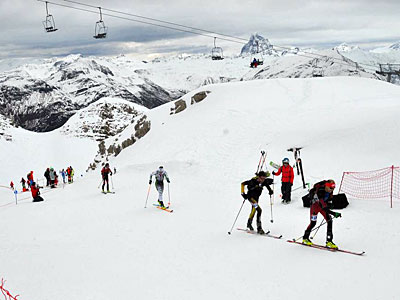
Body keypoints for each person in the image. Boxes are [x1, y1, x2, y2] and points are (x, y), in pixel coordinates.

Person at [302, 179, 342, 249]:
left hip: (322, 206)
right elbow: (323, 206)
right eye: (330, 188)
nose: (331, 190)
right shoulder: (320, 191)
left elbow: (328, 201)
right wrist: (333, 213)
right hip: (315, 207)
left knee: (329, 220)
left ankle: (329, 241)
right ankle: (305, 238)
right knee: (313, 223)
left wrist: (330, 203)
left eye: (333, 188)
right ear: (326, 186)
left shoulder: (329, 190)